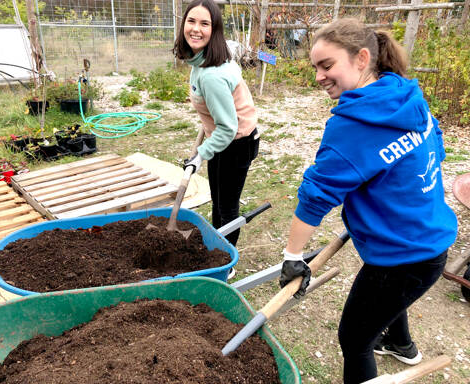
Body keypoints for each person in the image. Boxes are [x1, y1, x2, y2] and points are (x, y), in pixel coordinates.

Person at [278, 18, 458, 383]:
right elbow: (434, 147)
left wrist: (293, 257)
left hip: (403, 257)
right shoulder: (404, 93)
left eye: (327, 66)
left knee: (355, 338)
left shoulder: (353, 125)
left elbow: (316, 195)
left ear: (362, 58)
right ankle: (401, 345)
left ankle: (388, 344)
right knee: (389, 302)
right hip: (431, 239)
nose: (318, 77)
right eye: (315, 67)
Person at [173, 0, 259, 252]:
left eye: (204, 23)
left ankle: (226, 258)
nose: (196, 29)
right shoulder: (200, 60)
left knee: (227, 206)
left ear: (215, 30)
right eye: (191, 21)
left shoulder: (211, 75)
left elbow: (227, 127)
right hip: (223, 139)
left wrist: (200, 155)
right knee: (218, 200)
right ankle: (216, 246)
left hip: (237, 142)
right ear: (183, 24)